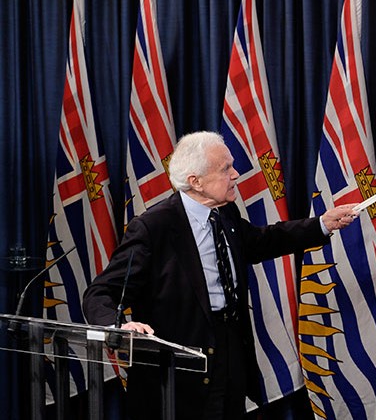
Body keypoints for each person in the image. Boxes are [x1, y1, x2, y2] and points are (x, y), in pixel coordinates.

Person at [82, 131, 358, 420]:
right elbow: (100, 292)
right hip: (179, 373)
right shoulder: (154, 227)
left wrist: (322, 224)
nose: (236, 175)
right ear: (196, 181)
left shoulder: (225, 213)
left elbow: (262, 241)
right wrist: (118, 327)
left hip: (230, 356)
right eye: (226, 169)